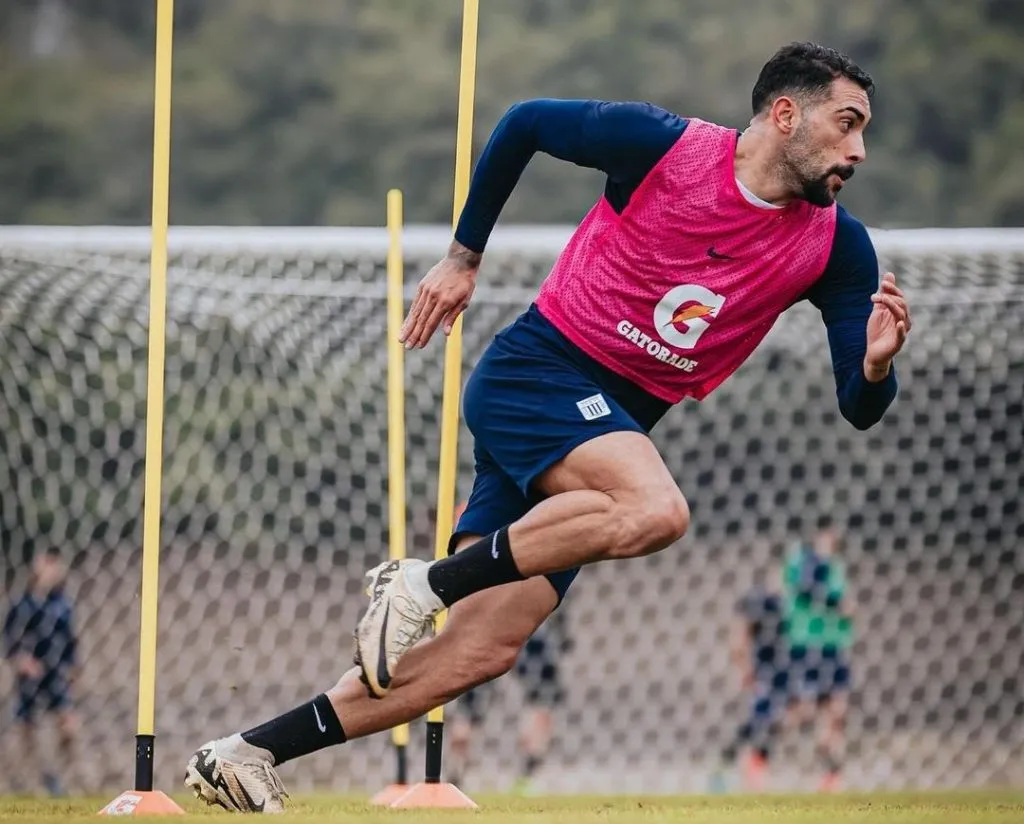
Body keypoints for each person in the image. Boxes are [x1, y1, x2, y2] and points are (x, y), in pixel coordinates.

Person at [185, 42, 911, 812]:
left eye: (863, 131)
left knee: (480, 650)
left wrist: (873, 369)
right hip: (536, 375)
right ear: (786, 114)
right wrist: (463, 259)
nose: (858, 150)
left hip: (603, 434)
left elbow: (857, 407)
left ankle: (246, 753)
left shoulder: (838, 247)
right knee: (656, 510)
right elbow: (525, 122)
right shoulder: (662, 145)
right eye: (847, 123)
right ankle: (421, 583)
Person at [448, 611, 569, 794]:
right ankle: (457, 774)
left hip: (496, 624)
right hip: (523, 621)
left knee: (540, 702)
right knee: (541, 702)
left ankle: (457, 775)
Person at [781, 526, 853, 792]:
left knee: (837, 711)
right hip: (807, 644)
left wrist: (847, 610)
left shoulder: (836, 565)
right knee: (804, 710)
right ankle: (755, 749)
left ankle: (832, 775)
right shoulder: (802, 560)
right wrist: (838, 602)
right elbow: (809, 588)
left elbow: (844, 601)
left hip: (834, 646)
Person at [3, 547, 79, 797]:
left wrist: (73, 668)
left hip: (55, 673)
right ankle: (36, 776)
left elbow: (70, 642)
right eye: (47, 564)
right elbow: (9, 640)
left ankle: (62, 776)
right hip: (31, 676)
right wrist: (22, 660)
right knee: (26, 728)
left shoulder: (62, 606)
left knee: (68, 725)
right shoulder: (22, 604)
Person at [710, 575, 789, 793]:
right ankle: (729, 766)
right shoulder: (759, 601)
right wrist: (745, 669)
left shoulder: (792, 601)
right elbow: (739, 635)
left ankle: (753, 764)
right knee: (760, 718)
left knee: (776, 718)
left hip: (783, 670)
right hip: (763, 669)